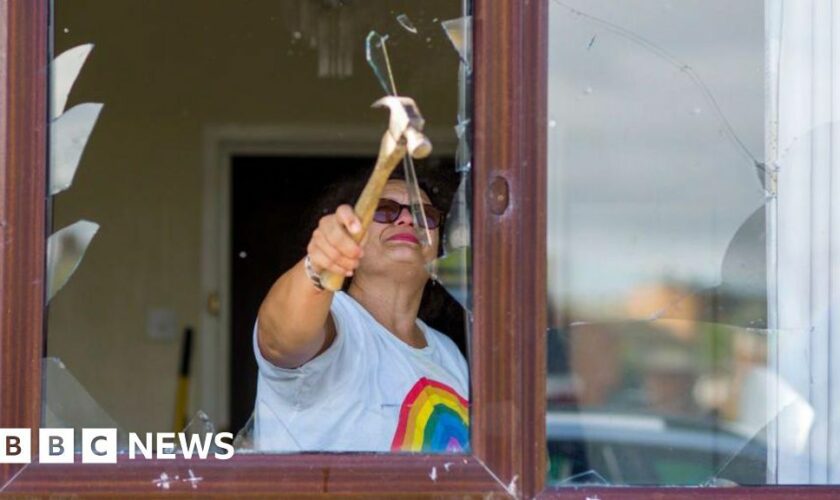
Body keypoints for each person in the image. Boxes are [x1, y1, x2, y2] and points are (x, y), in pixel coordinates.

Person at [253, 175, 469, 453]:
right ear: (353, 236)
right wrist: (318, 264)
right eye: (384, 210)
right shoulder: (336, 320)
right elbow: (279, 340)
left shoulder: (449, 354)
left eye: (424, 215)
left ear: (438, 249)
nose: (406, 220)